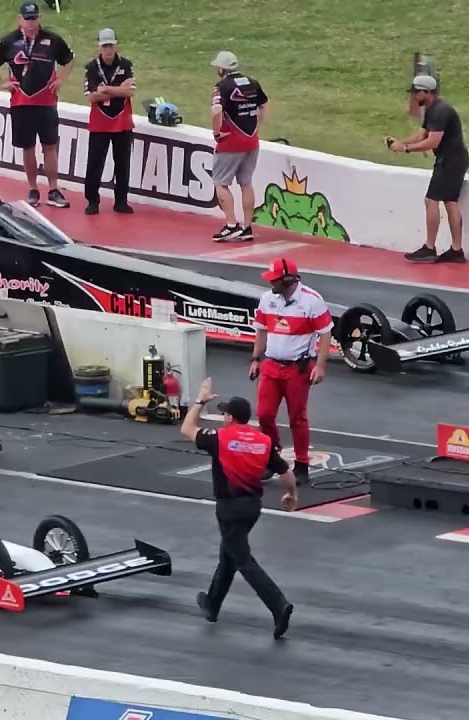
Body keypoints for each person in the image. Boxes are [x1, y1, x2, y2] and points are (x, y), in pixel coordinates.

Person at [180, 377, 297, 640]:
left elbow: (187, 428)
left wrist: (200, 401)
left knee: (242, 559)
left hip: (229, 508)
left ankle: (279, 606)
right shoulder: (263, 441)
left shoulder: (220, 438)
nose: (222, 417)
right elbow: (285, 472)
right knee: (229, 554)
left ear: (231, 418)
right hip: (252, 508)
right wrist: (292, 494)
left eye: (224, 414)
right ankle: (212, 604)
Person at [251, 257, 331, 483]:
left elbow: (325, 333)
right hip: (271, 365)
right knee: (264, 414)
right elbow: (261, 330)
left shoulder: (312, 301)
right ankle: (272, 456)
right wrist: (256, 359)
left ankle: (302, 465)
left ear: (287, 280)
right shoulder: (267, 299)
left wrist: (321, 365)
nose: (270, 284)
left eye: (273, 280)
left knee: (297, 417)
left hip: (298, 368)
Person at [0, 2, 73, 208]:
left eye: (34, 18)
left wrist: (61, 79)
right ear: (20, 20)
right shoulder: (10, 41)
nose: (31, 22)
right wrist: (1, 83)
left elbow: (69, 59)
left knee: (50, 146)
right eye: (27, 18)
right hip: (21, 102)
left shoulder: (52, 40)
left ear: (40, 19)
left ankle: (53, 190)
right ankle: (33, 189)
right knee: (28, 147)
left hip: (46, 102)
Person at [389, 75, 469, 264]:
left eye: (416, 93)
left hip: (450, 162)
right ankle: (456, 251)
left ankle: (430, 247)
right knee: (450, 202)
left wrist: (406, 149)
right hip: (452, 160)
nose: (414, 97)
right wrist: (402, 142)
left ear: (426, 92)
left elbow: (432, 141)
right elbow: (422, 134)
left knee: (431, 200)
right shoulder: (433, 109)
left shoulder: (441, 111)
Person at [209, 51, 269, 242]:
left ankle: (231, 224)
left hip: (230, 143)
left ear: (221, 68)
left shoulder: (221, 87)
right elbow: (263, 104)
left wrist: (217, 132)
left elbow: (217, 110)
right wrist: (256, 125)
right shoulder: (252, 82)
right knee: (246, 183)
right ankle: (247, 227)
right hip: (252, 141)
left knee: (220, 183)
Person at [83, 28, 135, 215]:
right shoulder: (91, 67)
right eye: (105, 45)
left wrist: (107, 90)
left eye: (111, 45)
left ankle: (121, 201)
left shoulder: (126, 64)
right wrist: (117, 89)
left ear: (116, 45)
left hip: (122, 121)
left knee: (122, 163)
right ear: (99, 46)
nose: (108, 49)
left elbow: (130, 91)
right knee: (95, 162)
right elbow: (91, 96)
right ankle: (92, 201)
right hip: (99, 122)